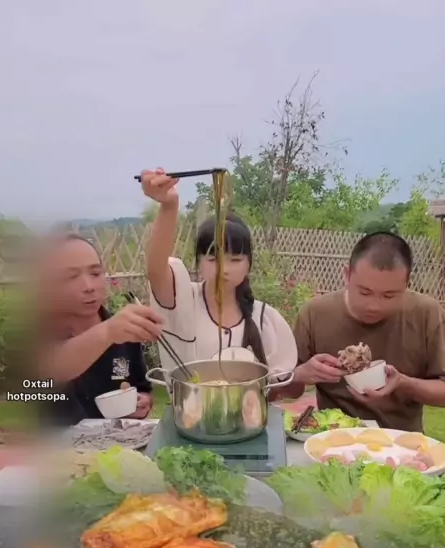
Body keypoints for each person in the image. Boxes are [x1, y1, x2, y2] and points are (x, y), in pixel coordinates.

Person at [140, 169, 297, 378]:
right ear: (199, 261)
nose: (224, 269)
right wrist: (169, 206)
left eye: (235, 260)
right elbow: (156, 271)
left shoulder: (266, 320)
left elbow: (279, 383)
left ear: (249, 264)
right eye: (213, 260)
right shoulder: (182, 301)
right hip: (189, 400)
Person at [292, 232, 445, 431]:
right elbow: (287, 390)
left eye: (389, 296)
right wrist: (300, 374)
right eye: (364, 292)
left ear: (407, 283)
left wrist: (403, 383)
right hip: (334, 438)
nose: (374, 306)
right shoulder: (314, 313)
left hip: (402, 441)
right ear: (347, 274)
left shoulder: (427, 314)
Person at [37, 232, 163, 426]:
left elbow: (142, 388)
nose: (88, 286)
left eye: (95, 273)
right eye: (71, 276)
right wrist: (107, 332)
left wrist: (143, 402)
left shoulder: (124, 334)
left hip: (119, 440)